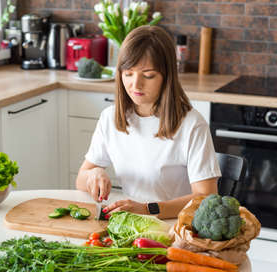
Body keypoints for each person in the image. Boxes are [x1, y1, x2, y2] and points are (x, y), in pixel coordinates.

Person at [75, 25, 221, 219]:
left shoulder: (192, 124)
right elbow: (80, 179)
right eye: (128, 73)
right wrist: (94, 174)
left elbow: (206, 198)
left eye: (148, 75)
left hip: (175, 227)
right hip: (132, 224)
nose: (135, 85)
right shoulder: (110, 118)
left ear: (166, 76)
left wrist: (147, 209)